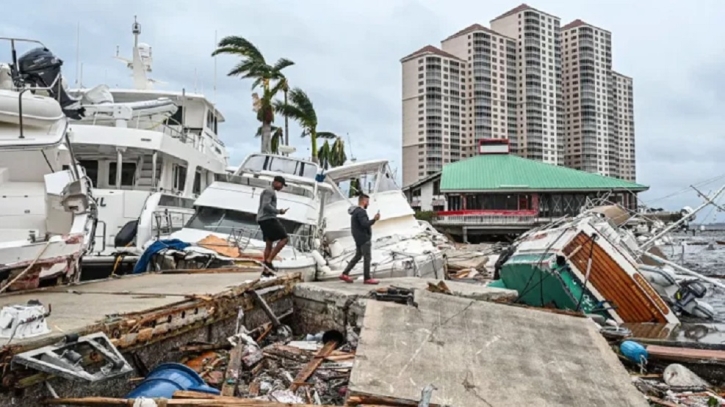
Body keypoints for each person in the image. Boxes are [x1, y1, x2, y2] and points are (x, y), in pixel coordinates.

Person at [339, 193, 380, 284]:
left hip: (358, 238)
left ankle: (345, 273)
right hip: (364, 239)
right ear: (363, 201)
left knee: (358, 256)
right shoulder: (361, 212)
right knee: (367, 257)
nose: (368, 204)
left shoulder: (355, 212)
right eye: (367, 202)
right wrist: (374, 219)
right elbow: (365, 224)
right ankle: (367, 278)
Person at [257, 175, 289, 276]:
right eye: (281, 185)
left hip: (263, 219)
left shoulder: (269, 191)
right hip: (268, 218)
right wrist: (278, 211)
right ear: (276, 182)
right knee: (285, 238)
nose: (281, 187)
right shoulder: (269, 191)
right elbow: (265, 205)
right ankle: (269, 261)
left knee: (269, 242)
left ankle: (266, 270)